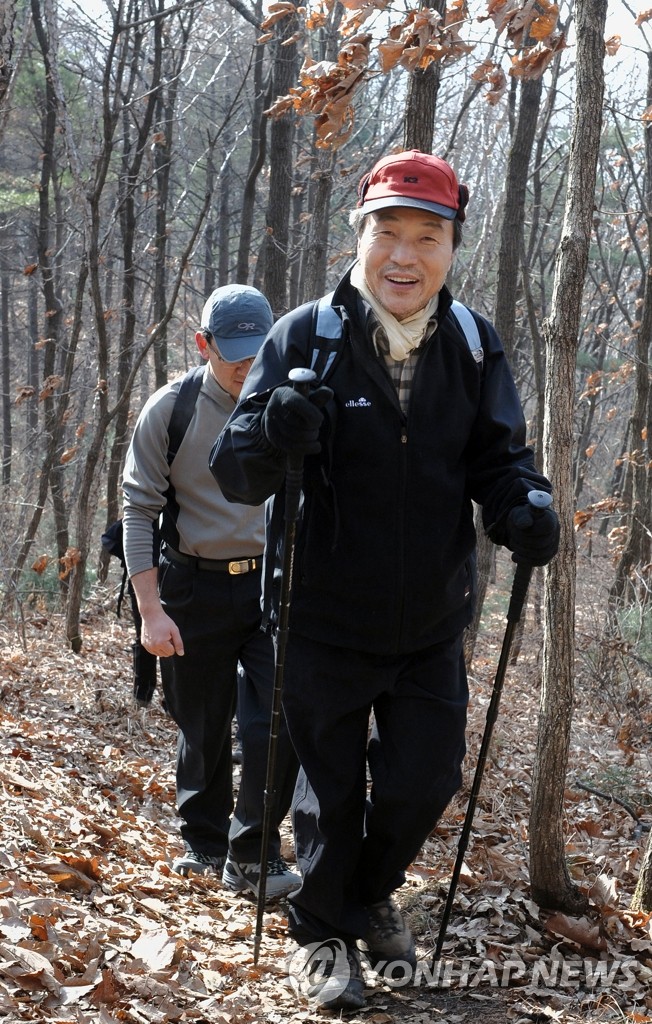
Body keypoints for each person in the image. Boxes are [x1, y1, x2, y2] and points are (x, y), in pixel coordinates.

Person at [209, 151, 560, 1009]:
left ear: (452, 248)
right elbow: (234, 473)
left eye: (426, 237)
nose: (405, 255)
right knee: (327, 796)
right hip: (321, 615)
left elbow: (498, 458)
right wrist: (277, 431)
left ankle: (365, 895)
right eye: (388, 233)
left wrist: (524, 503)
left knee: (424, 779)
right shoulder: (305, 335)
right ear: (359, 237)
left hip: (433, 619)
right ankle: (323, 937)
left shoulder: (474, 345)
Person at [122, 283, 300, 898]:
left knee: (273, 723)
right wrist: (151, 611)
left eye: (259, 352)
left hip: (273, 587)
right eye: (234, 355)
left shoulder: (291, 409)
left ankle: (256, 851)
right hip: (192, 587)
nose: (248, 367)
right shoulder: (170, 411)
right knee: (201, 724)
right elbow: (138, 510)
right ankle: (203, 840)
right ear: (204, 346)